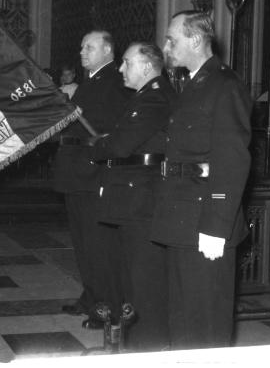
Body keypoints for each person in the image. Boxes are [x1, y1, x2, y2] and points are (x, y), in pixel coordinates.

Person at [151, 11, 252, 349]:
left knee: (205, 321)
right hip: (183, 217)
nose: (166, 47)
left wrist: (216, 225)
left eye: (172, 39)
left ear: (195, 39)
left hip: (204, 219)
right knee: (183, 315)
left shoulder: (224, 84)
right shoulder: (194, 82)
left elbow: (232, 160)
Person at [88, 42, 176, 352]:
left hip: (141, 201)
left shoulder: (154, 97)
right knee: (132, 278)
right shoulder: (144, 96)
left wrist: (99, 145)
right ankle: (138, 344)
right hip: (130, 198)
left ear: (148, 67)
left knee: (145, 279)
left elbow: (121, 146)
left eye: (127, 63)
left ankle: (148, 348)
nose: (121, 69)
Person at [52, 30, 130, 328]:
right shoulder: (91, 81)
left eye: (90, 47)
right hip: (77, 172)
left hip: (92, 172)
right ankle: (91, 296)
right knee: (83, 242)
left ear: (108, 50)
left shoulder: (113, 81)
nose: (82, 51)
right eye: (82, 46)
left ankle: (107, 306)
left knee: (98, 245)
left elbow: (107, 126)